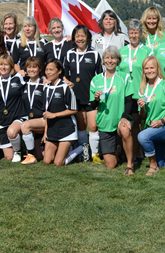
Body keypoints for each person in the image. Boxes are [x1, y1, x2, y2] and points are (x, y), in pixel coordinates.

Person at [88, 46, 134, 174]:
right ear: (103, 60)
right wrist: (96, 99)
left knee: (125, 130)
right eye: (107, 58)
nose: (110, 60)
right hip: (105, 122)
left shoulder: (124, 77)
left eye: (113, 58)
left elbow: (129, 100)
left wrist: (125, 117)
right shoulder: (95, 80)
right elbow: (91, 105)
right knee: (111, 165)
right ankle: (118, 149)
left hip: (120, 119)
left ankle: (130, 164)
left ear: (118, 60)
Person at [64, 25, 103, 162]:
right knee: (81, 125)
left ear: (87, 37)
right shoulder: (69, 54)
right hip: (76, 96)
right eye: (77, 36)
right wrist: (67, 82)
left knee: (93, 126)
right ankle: (83, 152)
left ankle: (95, 154)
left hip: (91, 96)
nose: (80, 38)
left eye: (83, 35)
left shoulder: (94, 54)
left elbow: (100, 76)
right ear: (74, 38)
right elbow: (64, 75)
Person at [118, 19, 152, 160]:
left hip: (140, 92)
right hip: (126, 93)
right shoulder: (122, 51)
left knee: (138, 124)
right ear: (128, 33)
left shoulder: (147, 51)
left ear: (141, 34)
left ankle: (138, 151)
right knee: (124, 122)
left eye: (136, 33)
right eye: (131, 33)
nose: (133, 35)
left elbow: (151, 72)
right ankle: (124, 151)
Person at [136, 56, 165, 176]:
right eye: (146, 68)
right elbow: (143, 117)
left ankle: (153, 166)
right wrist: (142, 108)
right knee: (161, 162)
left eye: (152, 67)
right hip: (152, 127)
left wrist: (161, 121)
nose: (149, 71)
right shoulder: (143, 88)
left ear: (158, 68)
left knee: (142, 136)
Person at [0, 54, 28, 162]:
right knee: (9, 157)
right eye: (1, 65)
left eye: (6, 65)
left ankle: (18, 151)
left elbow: (34, 81)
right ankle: (19, 147)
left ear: (11, 67)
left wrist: (45, 81)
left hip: (18, 116)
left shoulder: (18, 78)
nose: (3, 67)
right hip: (2, 120)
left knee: (12, 131)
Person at [42, 59, 79, 166]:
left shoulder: (66, 87)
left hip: (66, 129)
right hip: (52, 129)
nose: (48, 72)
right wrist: (45, 133)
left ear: (59, 71)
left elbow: (74, 109)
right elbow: (46, 114)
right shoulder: (46, 88)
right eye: (46, 69)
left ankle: (81, 148)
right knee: (47, 160)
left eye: (51, 69)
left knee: (59, 163)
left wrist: (55, 115)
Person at [13, 57, 46, 164]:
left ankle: (31, 156)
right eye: (29, 67)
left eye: (35, 67)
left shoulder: (45, 84)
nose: (32, 70)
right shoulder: (24, 83)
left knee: (25, 126)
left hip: (42, 119)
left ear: (40, 68)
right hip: (29, 120)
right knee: (42, 157)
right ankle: (29, 152)